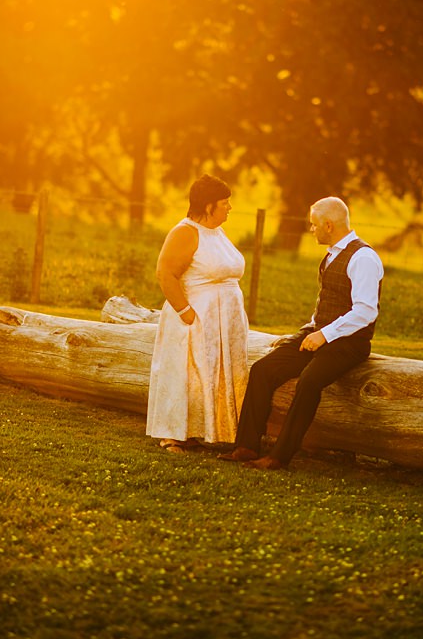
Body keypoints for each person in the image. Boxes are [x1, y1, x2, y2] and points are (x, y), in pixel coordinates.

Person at [218, 196, 383, 470]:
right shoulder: (333, 252)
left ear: (329, 225)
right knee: (263, 369)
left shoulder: (363, 258)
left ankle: (278, 456)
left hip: (349, 344)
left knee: (308, 381)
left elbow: (366, 311)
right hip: (320, 333)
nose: (311, 230)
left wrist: (324, 335)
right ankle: (246, 446)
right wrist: (308, 331)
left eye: (314, 225)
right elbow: (330, 300)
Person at [146, 174, 250, 453]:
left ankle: (209, 431)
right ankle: (173, 435)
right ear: (208, 206)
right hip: (195, 319)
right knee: (187, 374)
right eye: (224, 203)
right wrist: (186, 312)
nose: (229, 207)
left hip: (223, 321)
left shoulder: (217, 232)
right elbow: (165, 273)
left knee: (213, 376)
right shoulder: (185, 232)